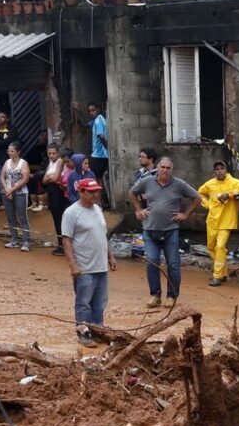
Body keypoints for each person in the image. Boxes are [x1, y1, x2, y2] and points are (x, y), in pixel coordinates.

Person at [129, 157, 200, 307]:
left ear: (172, 169)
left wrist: (185, 214)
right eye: (162, 167)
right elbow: (132, 193)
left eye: (168, 168)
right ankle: (155, 295)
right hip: (150, 230)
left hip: (170, 231)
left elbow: (197, 198)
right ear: (158, 167)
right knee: (152, 262)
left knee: (173, 265)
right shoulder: (147, 181)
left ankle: (172, 296)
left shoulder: (179, 184)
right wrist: (138, 210)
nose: (165, 170)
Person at [62, 177, 116, 348]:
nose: (95, 194)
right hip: (84, 266)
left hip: (101, 265)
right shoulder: (71, 212)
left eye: (97, 191)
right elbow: (66, 240)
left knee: (100, 303)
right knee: (84, 303)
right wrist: (72, 265)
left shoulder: (98, 209)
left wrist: (110, 256)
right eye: (91, 192)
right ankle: (84, 333)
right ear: (81, 192)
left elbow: (103, 235)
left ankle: (98, 330)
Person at [196, 161, 239, 286]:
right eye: (217, 169)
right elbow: (199, 192)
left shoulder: (234, 182)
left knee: (220, 247)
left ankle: (217, 276)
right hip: (212, 220)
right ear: (214, 171)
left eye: (222, 168)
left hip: (226, 221)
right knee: (211, 248)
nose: (219, 171)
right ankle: (223, 272)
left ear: (226, 170)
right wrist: (207, 204)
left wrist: (229, 195)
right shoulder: (210, 183)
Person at [0, 142, 31, 251]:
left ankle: (26, 241)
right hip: (8, 192)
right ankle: (14, 240)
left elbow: (25, 179)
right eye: (8, 151)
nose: (10, 153)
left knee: (22, 218)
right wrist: (6, 189)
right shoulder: (7, 162)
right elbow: (2, 176)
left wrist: (11, 190)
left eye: (12, 151)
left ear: (18, 152)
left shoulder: (23, 163)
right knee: (10, 217)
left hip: (20, 193)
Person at [77, 102, 109, 207]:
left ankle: (97, 202)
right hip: (102, 155)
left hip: (98, 155)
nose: (92, 112)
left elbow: (101, 136)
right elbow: (85, 125)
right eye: (90, 111)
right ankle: (99, 203)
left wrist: (108, 149)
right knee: (98, 179)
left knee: (93, 179)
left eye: (93, 110)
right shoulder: (97, 120)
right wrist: (78, 111)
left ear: (98, 109)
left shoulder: (99, 120)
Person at [42, 145, 68, 255]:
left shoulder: (60, 162)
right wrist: (49, 178)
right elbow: (44, 180)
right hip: (51, 191)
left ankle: (64, 245)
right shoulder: (50, 163)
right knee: (56, 218)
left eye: (53, 153)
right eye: (49, 153)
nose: (51, 155)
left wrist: (49, 178)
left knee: (60, 218)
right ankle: (60, 244)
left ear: (58, 153)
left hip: (58, 192)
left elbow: (55, 178)